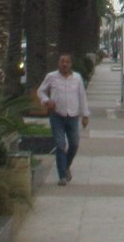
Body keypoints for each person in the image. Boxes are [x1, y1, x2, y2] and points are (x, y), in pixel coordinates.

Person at [36, 51, 90, 184]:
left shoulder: (77, 78)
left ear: (71, 64)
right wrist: (46, 100)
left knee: (74, 144)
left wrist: (85, 115)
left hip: (73, 116)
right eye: (62, 61)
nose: (64, 64)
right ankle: (62, 177)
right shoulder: (51, 77)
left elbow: (82, 96)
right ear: (58, 63)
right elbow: (40, 91)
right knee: (60, 145)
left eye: (67, 62)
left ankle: (66, 166)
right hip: (57, 116)